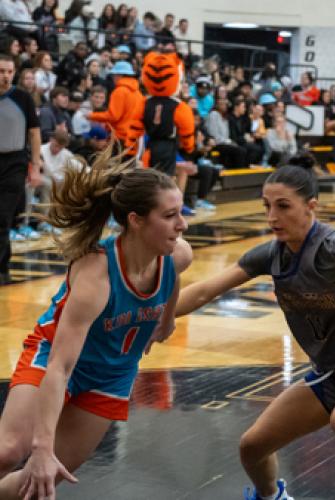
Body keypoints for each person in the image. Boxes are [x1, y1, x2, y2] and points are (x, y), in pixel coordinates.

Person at [175, 161, 335, 500]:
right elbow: (203, 291)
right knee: (252, 446)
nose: (272, 217)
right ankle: (272, 497)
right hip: (332, 371)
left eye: (283, 206)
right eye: (267, 206)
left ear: (310, 207)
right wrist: (151, 318)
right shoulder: (270, 255)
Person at [0, 148, 192, 497]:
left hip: (111, 376)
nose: (183, 224)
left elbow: (174, 276)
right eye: (171, 215)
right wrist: (41, 448)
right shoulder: (96, 275)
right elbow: (59, 368)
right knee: (9, 450)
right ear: (136, 220)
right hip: (54, 359)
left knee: (37, 481)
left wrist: (167, 319)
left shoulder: (177, 254)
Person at [0, 53, 42, 285]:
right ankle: (3, 264)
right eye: (1, 71)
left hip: (14, 162)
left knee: (3, 216)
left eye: (8, 71)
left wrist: (35, 166)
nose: (5, 76)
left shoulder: (22, 98)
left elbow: (34, 133)